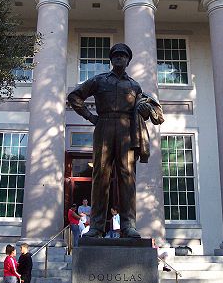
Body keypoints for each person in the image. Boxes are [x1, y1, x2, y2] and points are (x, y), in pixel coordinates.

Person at [68, 43, 164, 238]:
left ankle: (129, 225)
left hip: (126, 130)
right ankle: (96, 226)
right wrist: (90, 116)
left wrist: (145, 109)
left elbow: (146, 110)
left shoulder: (134, 86)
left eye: (123, 56)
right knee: (100, 176)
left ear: (128, 60)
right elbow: (75, 96)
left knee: (127, 178)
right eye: (116, 55)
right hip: (103, 126)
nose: (120, 58)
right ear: (111, 60)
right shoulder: (99, 80)